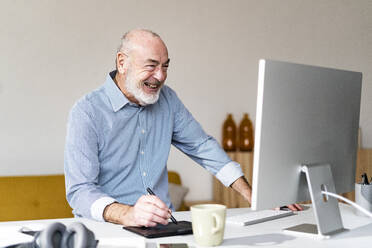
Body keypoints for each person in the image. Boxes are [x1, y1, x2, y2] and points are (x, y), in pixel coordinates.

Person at [64, 29, 300, 227]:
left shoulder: (168, 100)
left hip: (164, 231)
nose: (160, 76)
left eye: (165, 66)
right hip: (108, 233)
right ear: (122, 62)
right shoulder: (86, 112)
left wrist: (255, 196)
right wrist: (128, 214)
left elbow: (202, 146)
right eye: (151, 65)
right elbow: (80, 191)